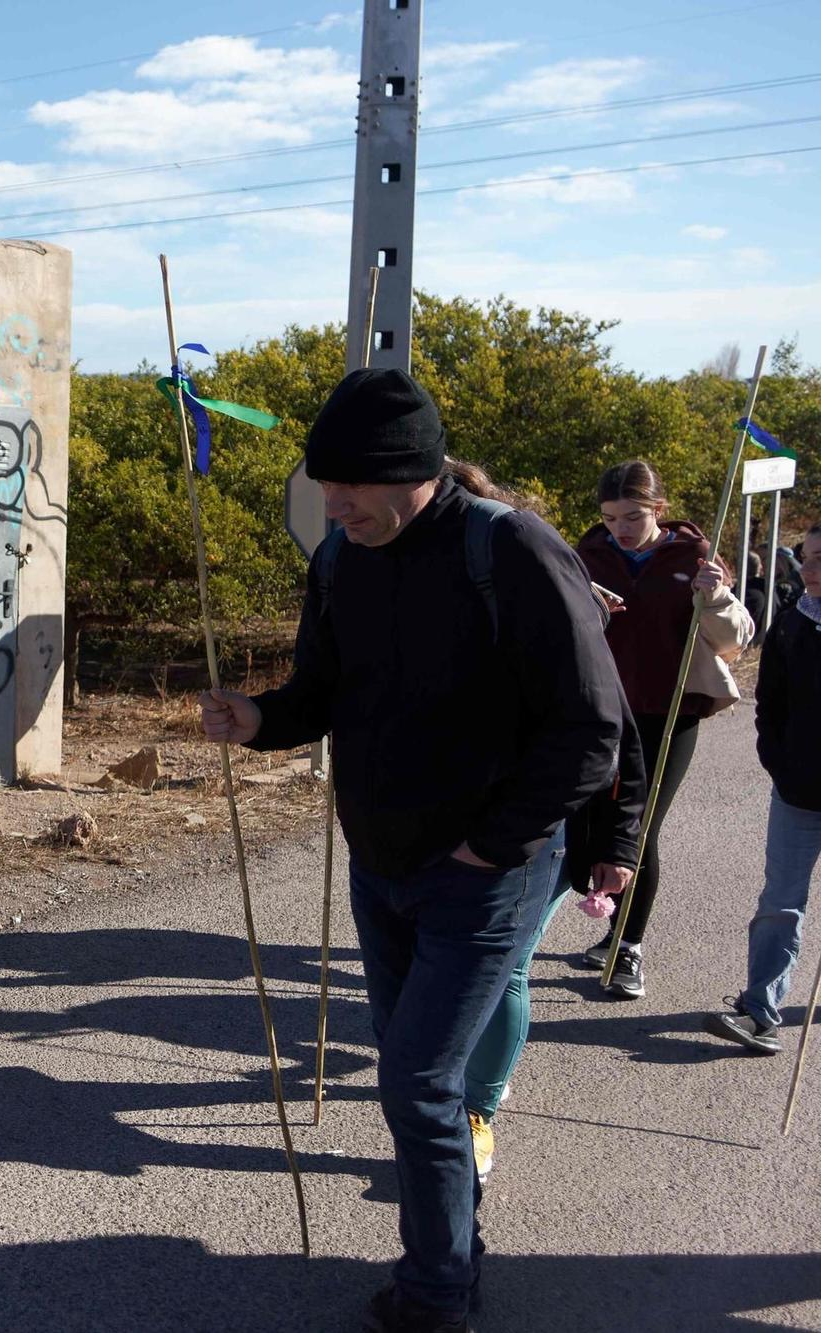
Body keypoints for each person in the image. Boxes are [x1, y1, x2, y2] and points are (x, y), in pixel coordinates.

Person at [200, 369, 623, 1333]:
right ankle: (456, 1247)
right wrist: (258, 716)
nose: (333, 503)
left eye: (350, 485)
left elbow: (589, 728)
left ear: (412, 474)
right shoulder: (343, 559)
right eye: (325, 485)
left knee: (420, 1081)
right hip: (380, 864)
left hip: (488, 876)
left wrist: (491, 846)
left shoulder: (508, 548)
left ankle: (437, 1293)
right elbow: (320, 692)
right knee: (406, 1064)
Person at [571, 460, 752, 998]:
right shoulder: (589, 555)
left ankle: (628, 949)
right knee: (594, 824)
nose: (620, 528)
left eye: (632, 516)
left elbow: (735, 637)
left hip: (669, 715)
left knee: (639, 828)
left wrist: (715, 595)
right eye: (609, 517)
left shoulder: (693, 556)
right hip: (602, 713)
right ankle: (609, 927)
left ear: (659, 510)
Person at [463, 677, 646, 1180]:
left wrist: (619, 845)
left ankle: (476, 1110)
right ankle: (462, 1079)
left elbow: (620, 745)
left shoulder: (560, 608)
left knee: (505, 968)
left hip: (542, 834)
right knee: (439, 961)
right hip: (438, 824)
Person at [704, 526, 821, 1054]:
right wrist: (778, 759)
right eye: (809, 558)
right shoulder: (793, 623)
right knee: (780, 902)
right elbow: (769, 702)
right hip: (798, 792)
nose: (812, 569)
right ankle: (760, 1010)